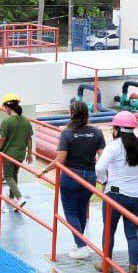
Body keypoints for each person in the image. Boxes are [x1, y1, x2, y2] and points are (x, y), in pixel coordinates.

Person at [95, 111, 138, 273]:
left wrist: (104, 181)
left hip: (115, 194)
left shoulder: (114, 146)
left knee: (109, 230)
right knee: (132, 234)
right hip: (137, 195)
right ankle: (133, 269)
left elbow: (99, 168)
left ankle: (107, 265)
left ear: (116, 129)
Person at [51, 101, 106, 259]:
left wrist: (44, 170)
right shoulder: (97, 132)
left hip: (71, 176)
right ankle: (79, 242)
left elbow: (60, 159)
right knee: (81, 210)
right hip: (89, 177)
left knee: (70, 213)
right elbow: (103, 158)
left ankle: (81, 246)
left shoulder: (67, 133)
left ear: (71, 113)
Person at [0, 93, 33, 208]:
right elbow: (29, 138)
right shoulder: (26, 120)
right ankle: (12, 198)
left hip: (9, 154)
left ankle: (19, 198)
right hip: (21, 153)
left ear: (8, 107)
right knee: (14, 175)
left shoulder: (7, 121)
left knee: (8, 176)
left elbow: (2, 139)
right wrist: (30, 154)